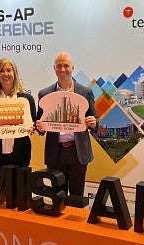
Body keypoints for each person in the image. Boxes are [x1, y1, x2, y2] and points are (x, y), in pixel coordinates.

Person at [35, 52, 98, 197]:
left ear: (72, 67)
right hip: (55, 152)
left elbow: (94, 120)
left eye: (66, 66)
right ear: (54, 68)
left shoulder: (86, 92)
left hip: (78, 152)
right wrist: (39, 127)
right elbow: (40, 123)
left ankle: (75, 220)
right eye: (59, 66)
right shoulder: (44, 94)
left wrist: (94, 123)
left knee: (77, 196)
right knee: (58, 195)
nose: (63, 70)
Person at [0, 58, 36, 175]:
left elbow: (33, 122)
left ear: (15, 73)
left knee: (17, 190)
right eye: (1, 71)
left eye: (9, 70)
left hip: (20, 153)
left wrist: (32, 127)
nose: (5, 74)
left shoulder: (26, 99)